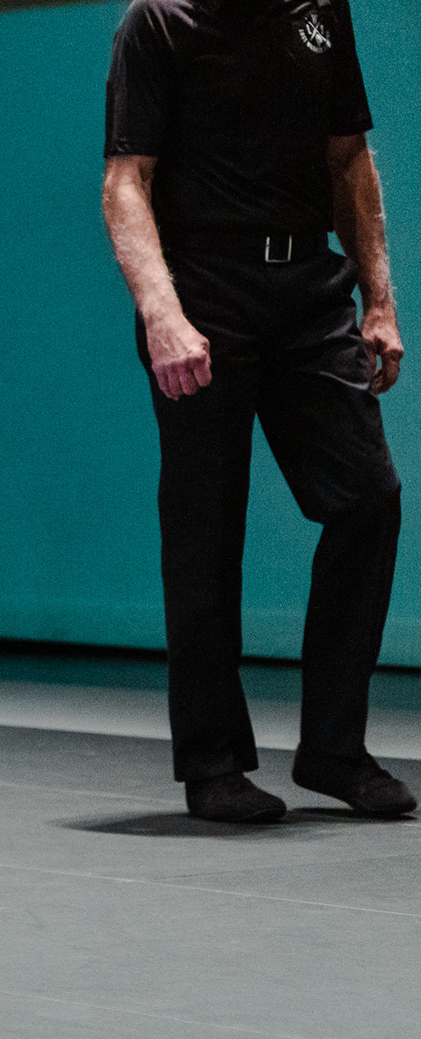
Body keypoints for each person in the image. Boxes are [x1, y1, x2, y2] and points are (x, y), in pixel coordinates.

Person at [102, 0, 413, 822]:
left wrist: (380, 300)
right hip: (204, 290)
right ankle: (213, 765)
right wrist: (163, 315)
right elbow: (127, 182)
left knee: (369, 500)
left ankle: (334, 750)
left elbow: (349, 158)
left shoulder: (320, 8)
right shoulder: (158, 22)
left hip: (310, 289)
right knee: (206, 529)